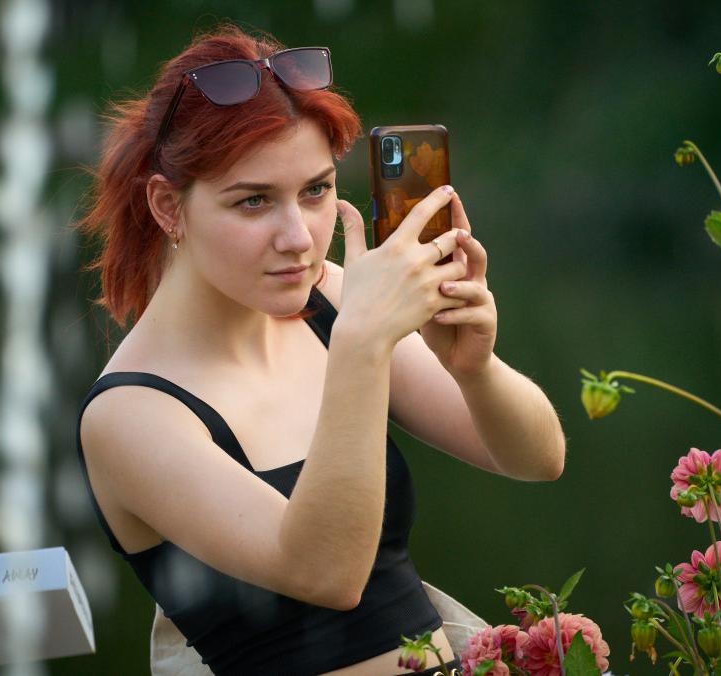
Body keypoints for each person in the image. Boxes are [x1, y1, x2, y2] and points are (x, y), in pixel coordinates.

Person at [76, 23, 565, 676]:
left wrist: (474, 368)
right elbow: (327, 573)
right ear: (170, 207)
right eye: (253, 202)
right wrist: (362, 348)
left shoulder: (332, 301)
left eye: (315, 191)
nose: (300, 239)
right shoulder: (130, 413)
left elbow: (538, 458)